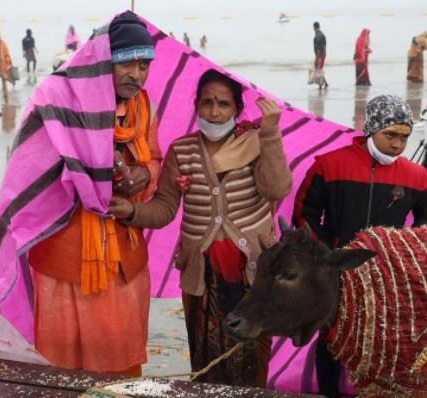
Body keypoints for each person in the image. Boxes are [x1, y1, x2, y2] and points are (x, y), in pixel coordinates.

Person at [0, 11, 162, 376]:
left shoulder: (142, 108)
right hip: (63, 259)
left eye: (144, 65)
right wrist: (87, 171)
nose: (137, 75)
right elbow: (28, 171)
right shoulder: (57, 101)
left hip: (123, 258)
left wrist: (142, 174)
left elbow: (156, 158)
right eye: (127, 63)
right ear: (103, 60)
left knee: (120, 366)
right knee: (62, 369)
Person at [110, 68, 293, 387]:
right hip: (202, 275)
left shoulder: (256, 142)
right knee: (206, 360)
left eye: (224, 103)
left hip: (252, 273)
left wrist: (271, 133)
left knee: (253, 358)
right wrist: (132, 211)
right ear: (196, 105)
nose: (214, 111)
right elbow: (165, 207)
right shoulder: (182, 150)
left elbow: (277, 189)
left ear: (237, 109)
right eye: (207, 102)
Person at [292, 94, 427, 398]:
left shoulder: (415, 176)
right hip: (335, 270)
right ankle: (329, 392)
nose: (398, 144)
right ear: (371, 129)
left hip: (387, 272)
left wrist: (409, 245)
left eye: (405, 137)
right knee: (332, 338)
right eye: (390, 135)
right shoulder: (329, 165)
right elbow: (304, 212)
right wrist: (325, 252)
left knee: (384, 337)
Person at [313, 21, 329, 89]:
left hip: (320, 54)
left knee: (318, 68)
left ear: (314, 27)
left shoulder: (318, 35)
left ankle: (321, 84)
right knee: (319, 69)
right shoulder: (321, 34)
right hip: (322, 53)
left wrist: (317, 56)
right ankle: (324, 83)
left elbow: (319, 46)